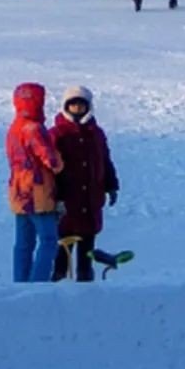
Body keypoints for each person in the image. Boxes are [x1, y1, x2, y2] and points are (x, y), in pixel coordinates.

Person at [52, 86, 119, 282]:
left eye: (81, 104)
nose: (77, 107)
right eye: (73, 104)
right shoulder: (57, 134)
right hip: (67, 201)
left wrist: (111, 184)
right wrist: (55, 197)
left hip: (90, 200)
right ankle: (57, 281)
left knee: (87, 246)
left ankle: (85, 281)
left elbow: (105, 160)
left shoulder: (96, 134)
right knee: (63, 247)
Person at [6, 82, 62, 283]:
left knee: (23, 243)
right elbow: (51, 161)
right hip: (38, 193)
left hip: (18, 192)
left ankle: (19, 282)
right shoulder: (34, 129)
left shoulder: (14, 128)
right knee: (48, 240)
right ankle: (37, 283)